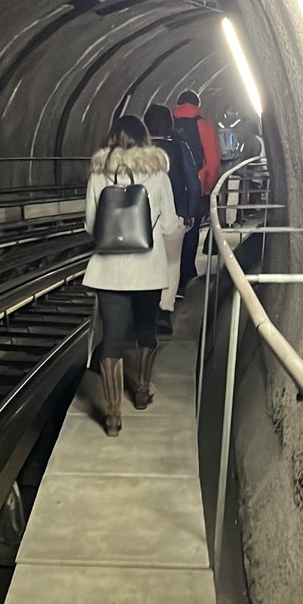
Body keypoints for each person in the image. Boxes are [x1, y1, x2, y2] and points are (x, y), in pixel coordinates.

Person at [83, 115, 180, 437]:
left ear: (112, 137)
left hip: (108, 270)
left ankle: (112, 416)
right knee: (145, 328)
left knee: (111, 339)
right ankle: (141, 390)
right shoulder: (157, 171)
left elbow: (90, 225)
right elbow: (167, 226)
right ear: (145, 139)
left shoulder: (99, 172)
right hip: (146, 269)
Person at [144, 103, 198, 335]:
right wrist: (191, 211)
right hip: (175, 214)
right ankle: (165, 310)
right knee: (172, 262)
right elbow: (193, 182)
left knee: (147, 262)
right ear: (170, 124)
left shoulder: (139, 150)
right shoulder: (179, 147)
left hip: (143, 218)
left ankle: (145, 308)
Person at [172, 90, 222, 293]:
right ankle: (186, 274)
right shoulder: (204, 125)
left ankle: (169, 276)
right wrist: (208, 187)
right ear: (197, 104)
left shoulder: (169, 122)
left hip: (169, 187)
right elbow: (212, 159)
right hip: (196, 186)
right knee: (191, 230)